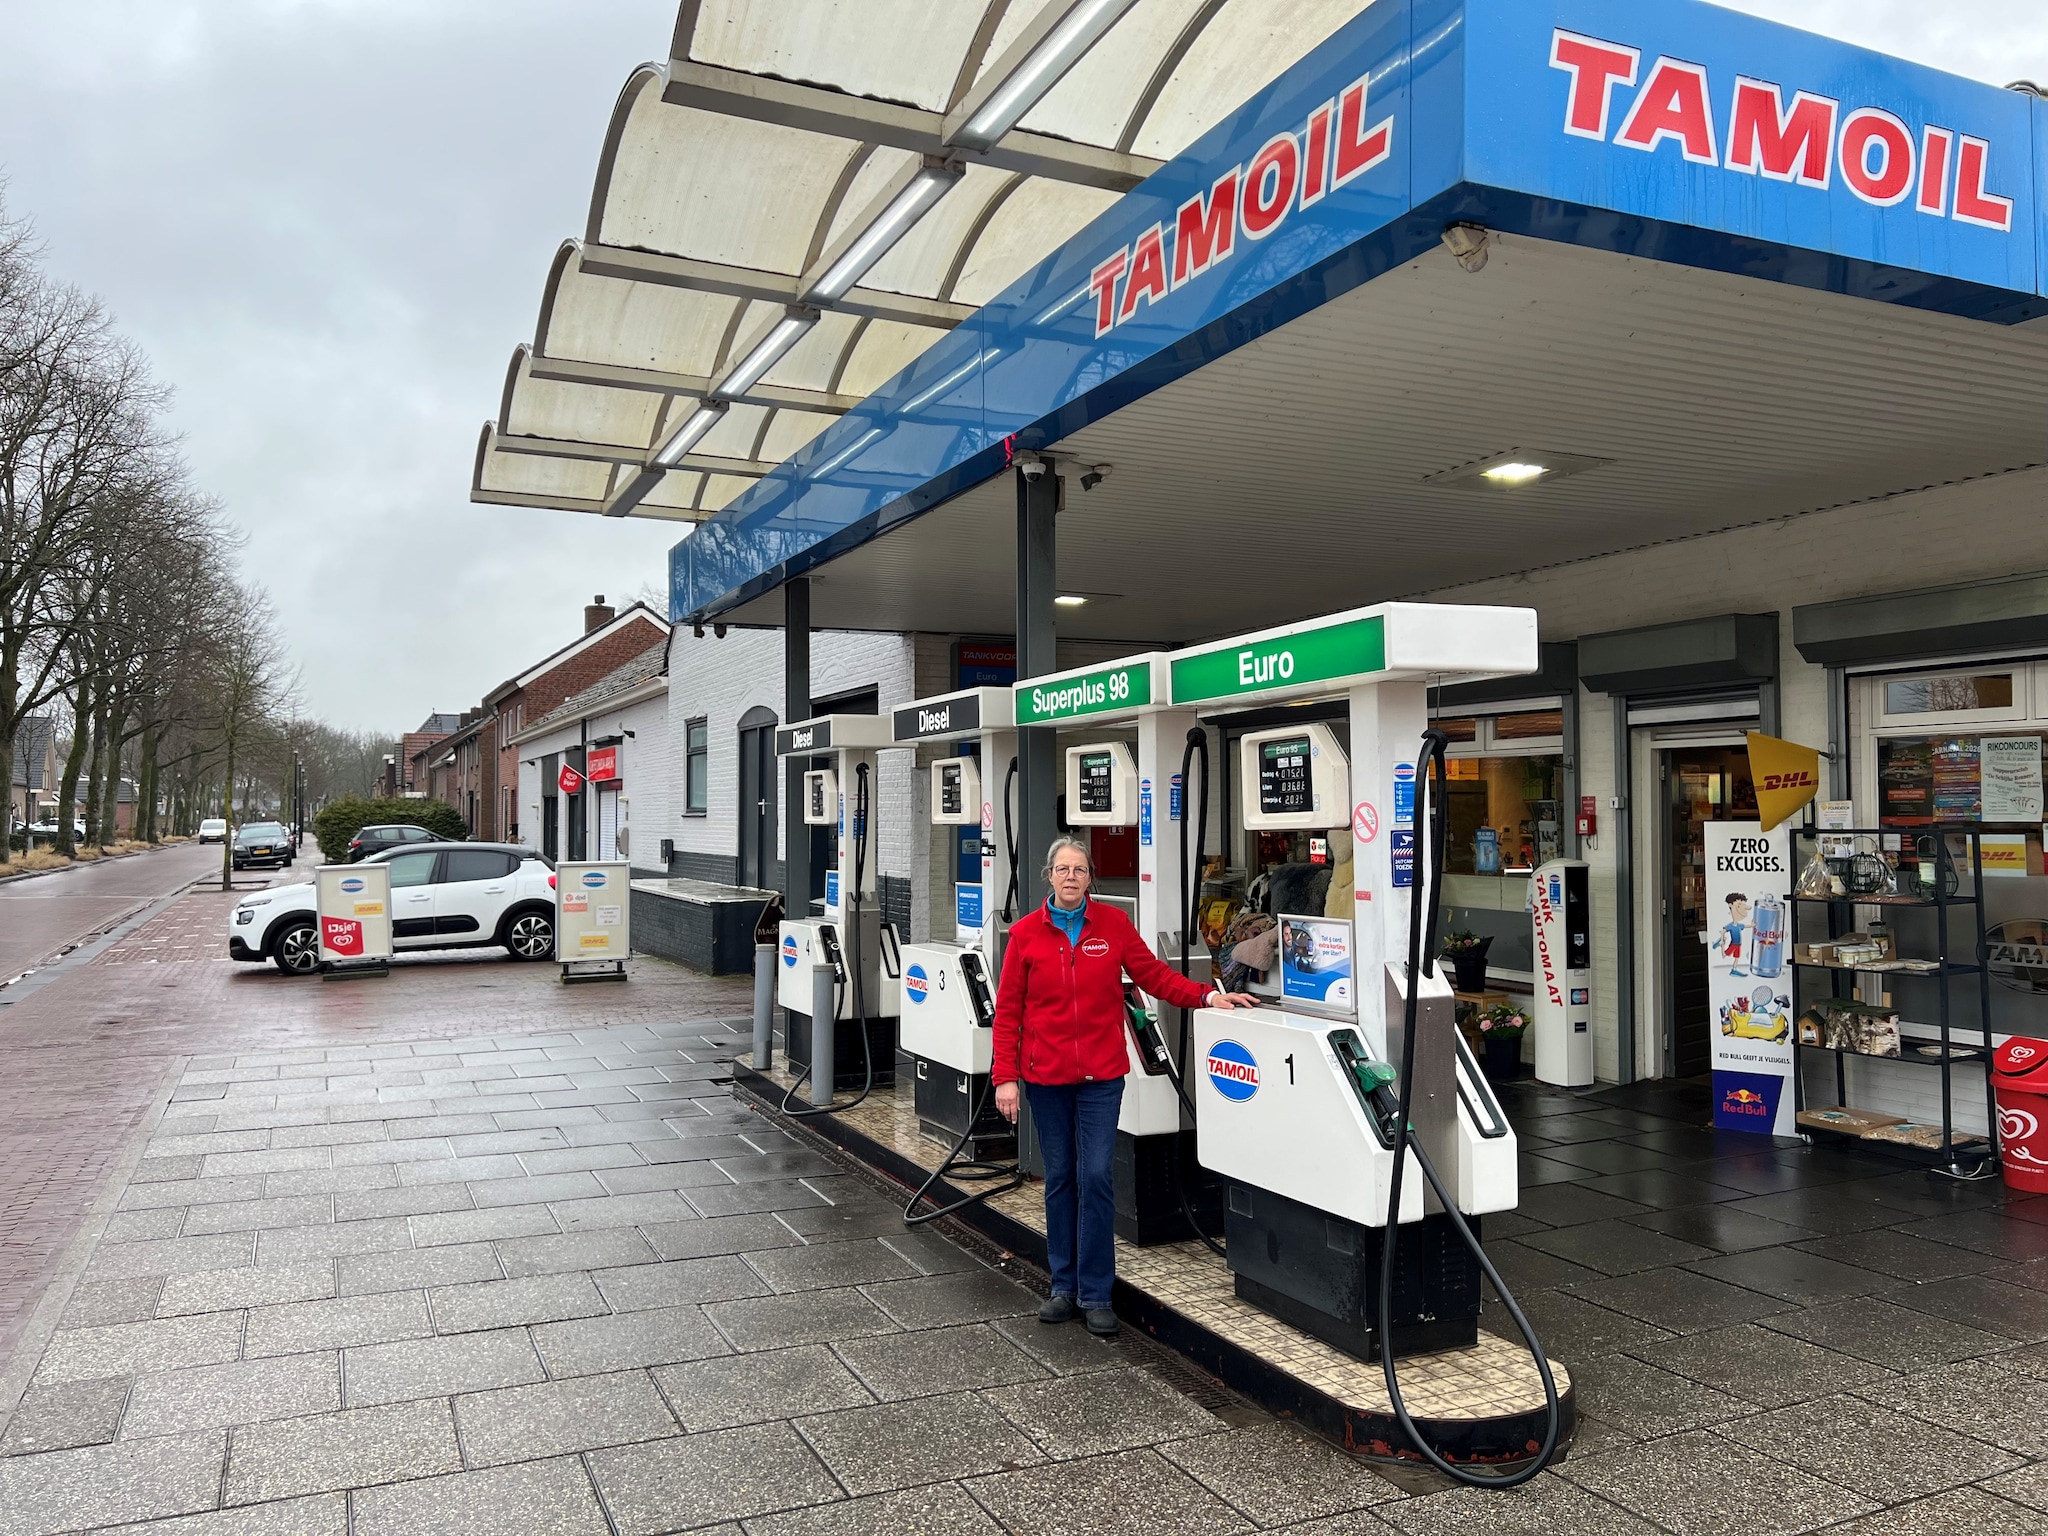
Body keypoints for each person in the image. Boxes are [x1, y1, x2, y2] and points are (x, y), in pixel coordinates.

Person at [991, 835, 1257, 1336]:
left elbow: (1154, 975)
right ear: (1048, 876)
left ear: (1090, 878)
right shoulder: (1026, 935)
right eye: (1062, 869)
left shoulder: (1112, 926)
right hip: (1045, 1078)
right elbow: (1008, 1012)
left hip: (1100, 1076)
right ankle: (1063, 1286)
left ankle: (1095, 1292)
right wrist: (1005, 1076)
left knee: (1095, 1176)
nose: (1071, 877)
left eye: (1079, 869)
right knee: (1062, 1178)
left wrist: (1207, 997)